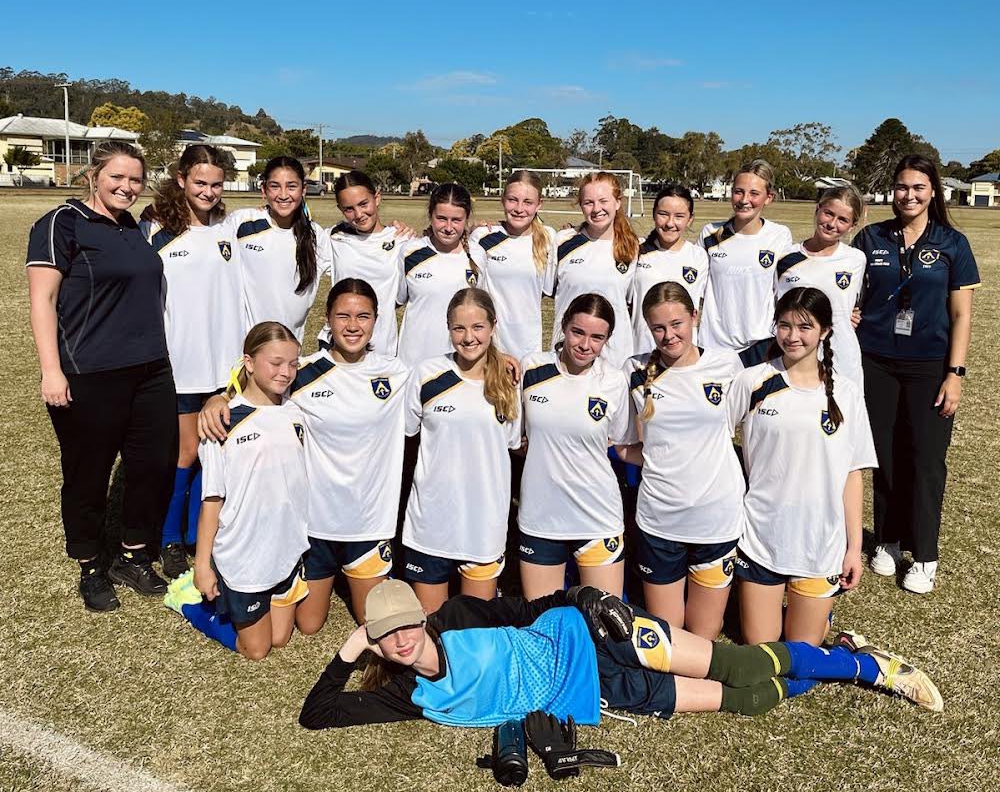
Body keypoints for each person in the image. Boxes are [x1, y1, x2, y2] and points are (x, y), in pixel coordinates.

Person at [298, 578, 943, 730]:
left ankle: (872, 668)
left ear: (421, 616)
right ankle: (832, 659)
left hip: (595, 633)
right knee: (744, 704)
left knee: (738, 663)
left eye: (407, 624)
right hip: (600, 695)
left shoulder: (459, 618)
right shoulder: (406, 696)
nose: (403, 640)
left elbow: (527, 609)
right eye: (388, 636)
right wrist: (351, 649)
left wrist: (581, 596)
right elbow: (317, 712)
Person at [197, 279, 410, 629]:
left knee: (373, 623)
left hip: (370, 523)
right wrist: (218, 397)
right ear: (327, 318)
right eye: (343, 316)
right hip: (315, 525)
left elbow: (456, 371)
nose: (353, 325)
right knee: (309, 624)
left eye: (363, 316)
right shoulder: (302, 372)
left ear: (376, 320)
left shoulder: (396, 373)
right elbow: (256, 382)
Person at [26, 141, 177, 613]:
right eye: (117, 177)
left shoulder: (133, 226)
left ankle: (133, 555)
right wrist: (52, 370)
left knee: (151, 465)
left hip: (151, 369)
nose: (126, 187)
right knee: (88, 474)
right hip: (90, 372)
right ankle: (91, 563)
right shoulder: (61, 223)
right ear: (94, 175)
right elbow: (42, 301)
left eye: (135, 179)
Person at [853, 154, 980, 594]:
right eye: (902, 187)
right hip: (877, 361)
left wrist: (955, 373)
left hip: (929, 365)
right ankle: (887, 541)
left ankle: (924, 554)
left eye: (918, 188)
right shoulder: (871, 237)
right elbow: (851, 290)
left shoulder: (952, 243)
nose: (909, 195)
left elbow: (961, 316)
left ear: (933, 192)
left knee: (926, 460)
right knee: (885, 455)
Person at [727, 288, 876, 645]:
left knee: (800, 656)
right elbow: (716, 440)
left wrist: (853, 548)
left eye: (805, 327)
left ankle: (821, 619)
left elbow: (852, 473)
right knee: (762, 651)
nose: (792, 336)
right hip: (761, 536)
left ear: (825, 331)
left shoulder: (847, 392)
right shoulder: (753, 381)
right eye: (784, 325)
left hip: (819, 542)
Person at [168, 322, 310, 660]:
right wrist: (202, 565)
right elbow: (212, 500)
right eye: (275, 363)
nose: (285, 372)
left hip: (286, 548)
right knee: (256, 650)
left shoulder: (296, 409)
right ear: (248, 362)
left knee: (279, 638)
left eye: (292, 364)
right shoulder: (223, 422)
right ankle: (189, 602)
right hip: (244, 554)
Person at [140, 144, 246, 579]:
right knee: (185, 453)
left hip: (227, 368)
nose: (209, 191)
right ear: (181, 179)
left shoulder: (231, 225)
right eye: (200, 182)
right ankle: (169, 540)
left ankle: (203, 536)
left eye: (217, 184)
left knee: (217, 454)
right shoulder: (156, 229)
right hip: (182, 365)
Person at [618, 282, 744, 639]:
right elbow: (625, 442)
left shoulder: (725, 365)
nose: (669, 335)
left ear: (695, 317)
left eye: (677, 324)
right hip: (660, 520)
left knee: (705, 637)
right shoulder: (634, 370)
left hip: (716, 519)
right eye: (658, 327)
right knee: (668, 637)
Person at [401, 289, 520, 613]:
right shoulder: (427, 374)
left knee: (476, 631)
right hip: (432, 522)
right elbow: (408, 436)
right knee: (431, 627)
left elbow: (511, 443)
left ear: (493, 326)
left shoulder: (509, 380)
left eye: (478, 327)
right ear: (448, 328)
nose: (469, 338)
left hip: (484, 523)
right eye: (459, 329)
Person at [517, 294, 631, 599]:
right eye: (578, 332)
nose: (585, 345)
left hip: (598, 516)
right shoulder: (532, 369)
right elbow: (517, 437)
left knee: (604, 626)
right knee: (543, 623)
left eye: (597, 337)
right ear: (564, 326)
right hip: (541, 517)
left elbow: (618, 441)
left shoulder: (614, 381)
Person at [767, 185, 867, 384]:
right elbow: (773, 305)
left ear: (852, 226)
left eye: (843, 220)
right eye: (828, 213)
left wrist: (852, 313)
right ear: (817, 209)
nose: (832, 224)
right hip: (794, 354)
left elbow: (852, 303)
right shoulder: (786, 257)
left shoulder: (856, 259)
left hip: (841, 358)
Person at [229, 156, 332, 343]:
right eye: (275, 186)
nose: (283, 194)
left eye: (291, 186)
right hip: (245, 350)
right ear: (264, 190)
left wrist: (390, 232)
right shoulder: (241, 223)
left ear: (303, 190)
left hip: (289, 355)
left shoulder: (316, 236)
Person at [320, 170, 417, 357]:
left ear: (377, 197)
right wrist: (267, 212)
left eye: (364, 204)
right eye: (349, 208)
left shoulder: (402, 240)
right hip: (337, 347)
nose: (359, 214)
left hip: (382, 348)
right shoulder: (333, 237)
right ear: (341, 209)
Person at [699, 159, 793, 352]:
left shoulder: (780, 235)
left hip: (761, 343)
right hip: (713, 345)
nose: (744, 200)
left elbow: (789, 288)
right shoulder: (710, 234)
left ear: (769, 197)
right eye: (738, 191)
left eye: (754, 194)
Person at [553, 172, 640, 369]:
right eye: (588, 202)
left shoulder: (633, 247)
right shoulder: (563, 241)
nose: (596, 209)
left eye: (603, 201)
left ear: (618, 202)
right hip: (567, 353)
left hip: (615, 358)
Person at [468, 170, 557, 361]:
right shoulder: (483, 236)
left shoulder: (549, 238)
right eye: (512, 200)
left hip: (528, 344)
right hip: (490, 343)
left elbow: (545, 289)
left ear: (539, 204)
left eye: (528, 202)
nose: (519, 208)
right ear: (502, 199)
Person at [396, 183, 480, 367]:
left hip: (459, 363)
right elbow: (397, 300)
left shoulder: (479, 254)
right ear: (430, 216)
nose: (448, 227)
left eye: (456, 220)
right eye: (441, 218)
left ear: (466, 219)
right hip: (413, 362)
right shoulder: (410, 251)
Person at [631, 185, 709, 356]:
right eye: (663, 214)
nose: (669, 223)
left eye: (679, 216)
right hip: (642, 353)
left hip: (683, 356)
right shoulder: (636, 250)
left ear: (690, 219)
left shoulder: (699, 256)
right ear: (653, 214)